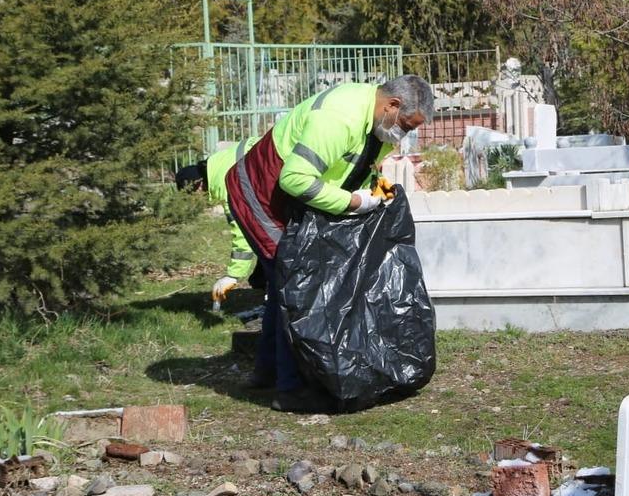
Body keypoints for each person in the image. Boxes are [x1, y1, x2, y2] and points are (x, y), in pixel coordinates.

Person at [226, 74, 434, 412]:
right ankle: (291, 388)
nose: (405, 135)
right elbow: (294, 179)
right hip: (262, 196)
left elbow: (359, 164)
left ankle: (266, 372)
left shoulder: (380, 123)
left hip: (294, 199)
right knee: (293, 285)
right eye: (407, 126)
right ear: (392, 106)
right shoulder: (339, 118)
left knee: (286, 286)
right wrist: (352, 203)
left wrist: (374, 187)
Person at [174, 139, 260, 305]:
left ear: (198, 186)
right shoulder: (221, 162)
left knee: (270, 268)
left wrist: (233, 275)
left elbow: (242, 233)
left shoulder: (227, 185)